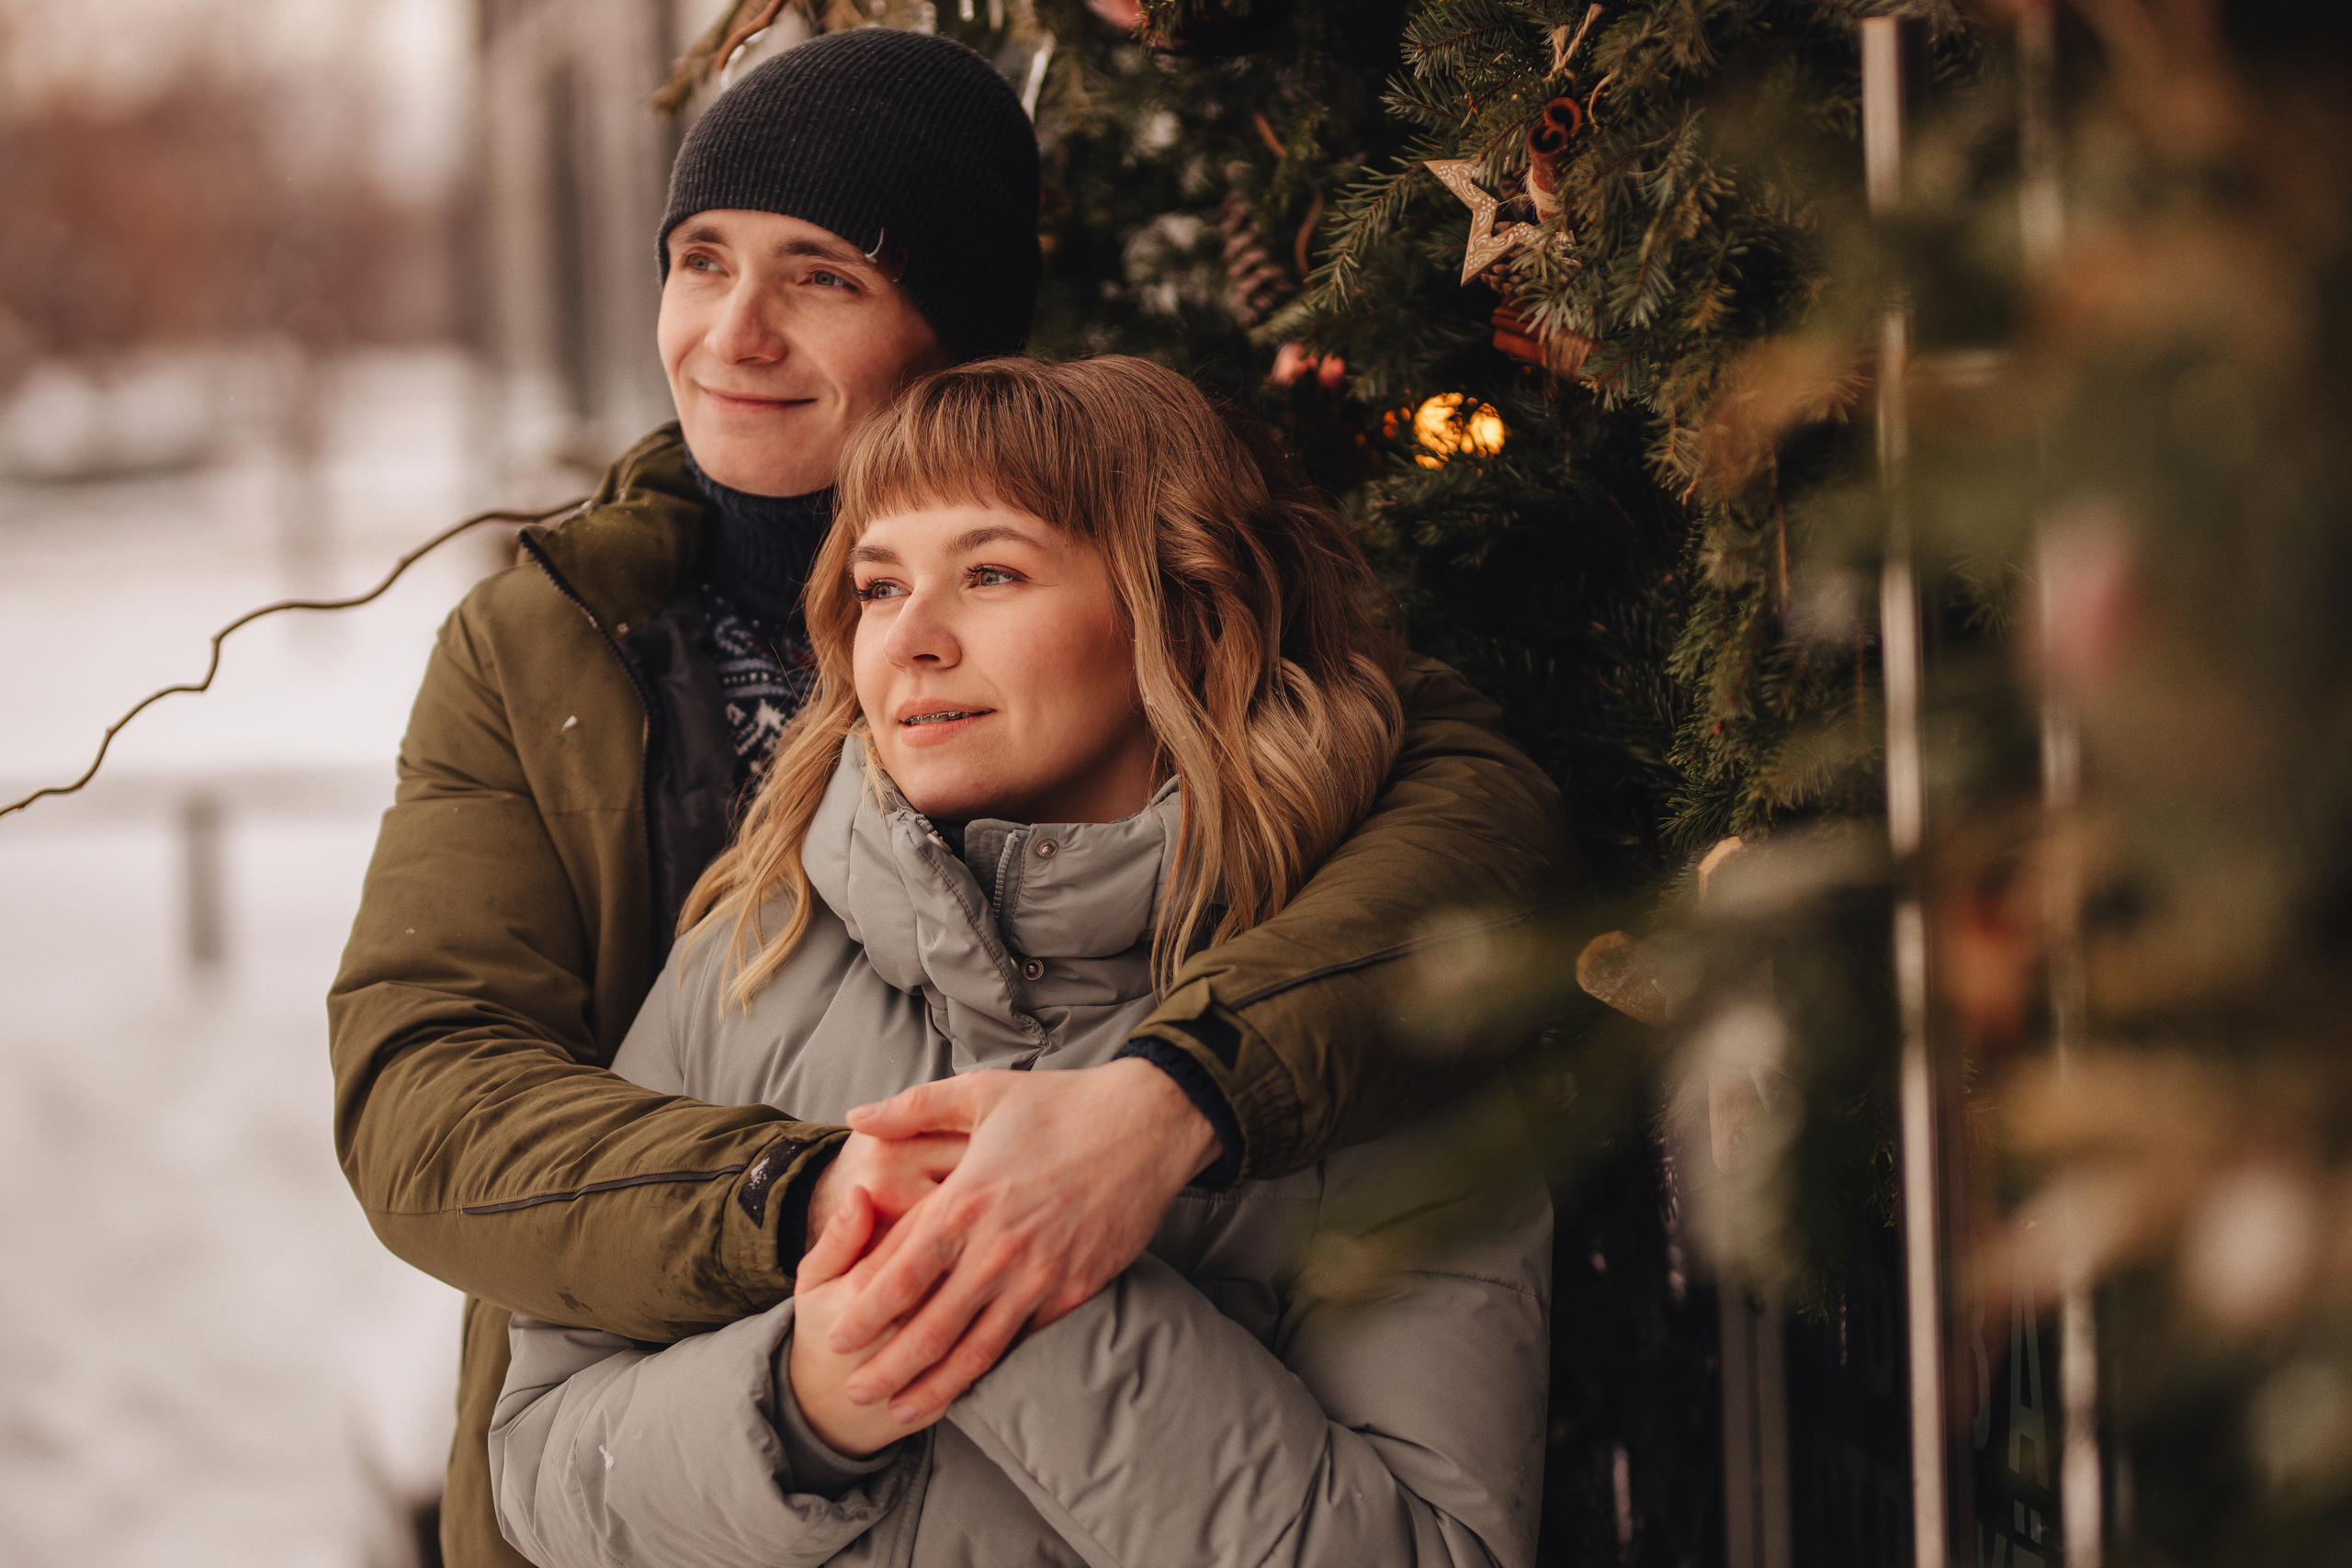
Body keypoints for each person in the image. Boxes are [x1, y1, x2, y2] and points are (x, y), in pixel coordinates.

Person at [327, 28, 1572, 1568]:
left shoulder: (1272, 723)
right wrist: (822, 1213)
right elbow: (423, 1099)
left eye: (823, 276)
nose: (734, 331)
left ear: (961, 328)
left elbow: (1476, 834)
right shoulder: (561, 663)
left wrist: (1162, 1106)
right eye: (700, 260)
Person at [490, 355, 1552, 1568]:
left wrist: (1008, 1279)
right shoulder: (752, 950)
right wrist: (805, 1407)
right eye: (881, 586)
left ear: (1179, 601)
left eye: (991, 573)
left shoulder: (1355, 1026)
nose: (915, 641)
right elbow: (537, 1463)